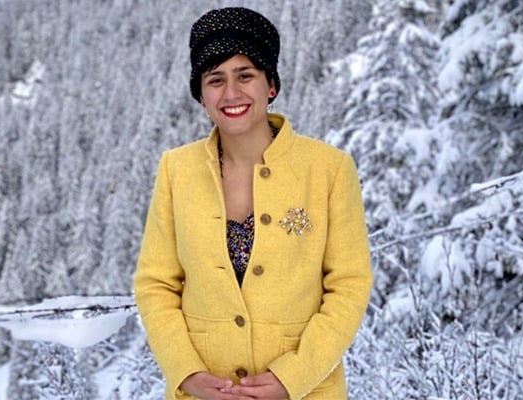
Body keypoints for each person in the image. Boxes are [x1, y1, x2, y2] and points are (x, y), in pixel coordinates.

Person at [134, 7, 372, 400]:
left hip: (307, 391)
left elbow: (349, 285)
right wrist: (187, 373)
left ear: (271, 85)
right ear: (201, 96)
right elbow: (156, 284)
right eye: (215, 80)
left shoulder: (328, 169)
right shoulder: (176, 169)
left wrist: (293, 376)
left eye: (245, 75)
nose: (231, 93)